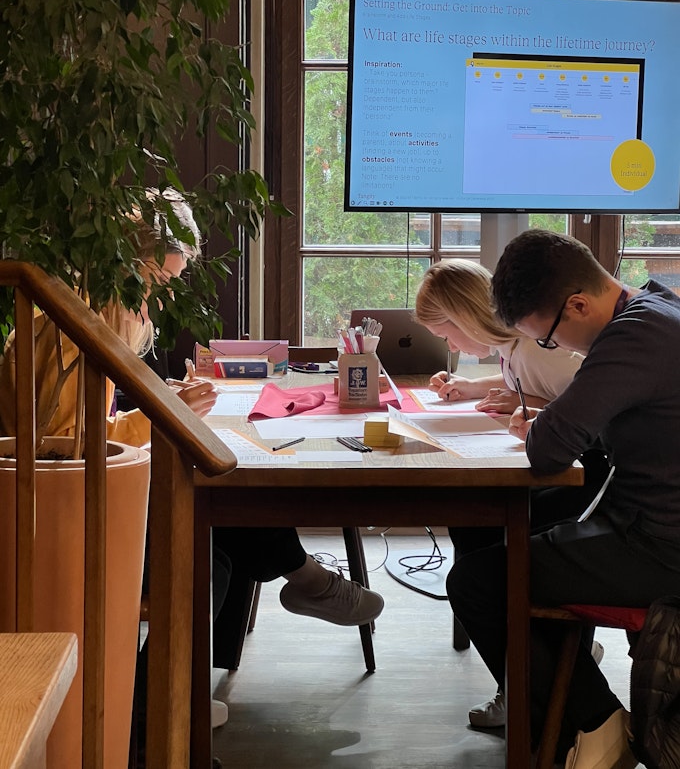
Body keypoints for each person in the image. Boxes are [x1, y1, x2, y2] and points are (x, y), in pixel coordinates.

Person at [0, 192, 384, 749]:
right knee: (214, 548)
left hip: (81, 493)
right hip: (60, 513)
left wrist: (161, 403)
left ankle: (179, 691)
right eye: (158, 282)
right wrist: (163, 415)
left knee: (225, 525)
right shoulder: (70, 327)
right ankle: (155, 713)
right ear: (128, 266)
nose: (158, 299)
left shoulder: (81, 316)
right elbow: (66, 449)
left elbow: (87, 428)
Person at [448, 228, 680, 768]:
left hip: (659, 545)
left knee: (478, 581)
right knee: (512, 549)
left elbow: (549, 448)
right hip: (646, 523)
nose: (557, 350)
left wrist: (537, 424)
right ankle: (587, 721)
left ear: (578, 304)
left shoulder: (633, 336)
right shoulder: (658, 307)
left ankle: (596, 723)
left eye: (549, 339)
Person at [414, 259, 610, 730]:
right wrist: (475, 387)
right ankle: (538, 657)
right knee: (472, 522)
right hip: (572, 465)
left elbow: (589, 409)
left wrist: (537, 409)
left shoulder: (542, 349)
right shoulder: (518, 346)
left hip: (589, 476)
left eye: (447, 334)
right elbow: (527, 384)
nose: (449, 345)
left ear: (466, 318)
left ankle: (535, 670)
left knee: (484, 551)